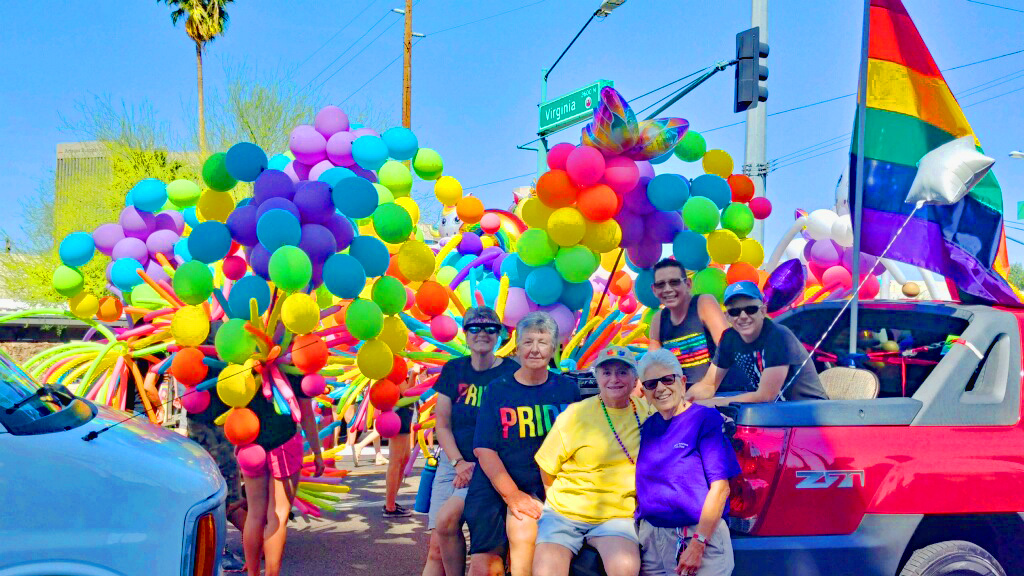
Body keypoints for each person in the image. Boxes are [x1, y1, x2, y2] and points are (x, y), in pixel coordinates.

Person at [463, 312, 581, 576]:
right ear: (517, 346)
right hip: (496, 482)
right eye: (528, 342)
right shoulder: (498, 389)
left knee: (534, 545)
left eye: (542, 342)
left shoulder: (567, 389)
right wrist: (512, 494)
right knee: (486, 568)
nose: (535, 350)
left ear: (554, 349)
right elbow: (484, 448)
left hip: (545, 482)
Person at [532, 346, 650, 576]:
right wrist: (555, 505)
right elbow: (547, 467)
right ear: (596, 377)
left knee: (625, 569)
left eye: (622, 372)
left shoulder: (647, 411)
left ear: (636, 378)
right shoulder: (575, 414)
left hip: (615, 516)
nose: (614, 379)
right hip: (564, 513)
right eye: (606, 373)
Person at [422, 307, 520, 576]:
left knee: (492, 550)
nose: (482, 333)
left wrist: (480, 465)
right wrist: (458, 463)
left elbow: (514, 429)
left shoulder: (512, 371)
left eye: (490, 328)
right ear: (465, 334)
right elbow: (442, 424)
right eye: (474, 328)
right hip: (453, 463)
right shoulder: (454, 369)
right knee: (436, 549)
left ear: (499, 334)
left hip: (492, 466)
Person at [635, 348, 740, 576]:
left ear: (682, 382)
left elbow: (721, 489)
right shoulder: (649, 427)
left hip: (696, 537)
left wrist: (698, 543)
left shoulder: (705, 419)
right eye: (652, 384)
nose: (661, 388)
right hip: (653, 542)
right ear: (644, 391)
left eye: (667, 379)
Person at [687, 281, 828, 404]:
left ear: (763, 311)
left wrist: (713, 404)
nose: (743, 316)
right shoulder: (729, 338)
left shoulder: (778, 336)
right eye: (735, 312)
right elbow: (709, 385)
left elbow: (765, 395)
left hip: (810, 414)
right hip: (773, 415)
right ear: (727, 316)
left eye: (750, 309)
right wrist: (685, 400)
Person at [240, 371, 325, 576]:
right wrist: (316, 451)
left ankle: (253, 573)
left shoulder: (241, 363)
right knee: (278, 513)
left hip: (250, 445)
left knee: (254, 513)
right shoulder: (293, 364)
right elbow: (306, 414)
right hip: (285, 442)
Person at [648, 259, 729, 386]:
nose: (667, 289)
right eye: (660, 284)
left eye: (674, 282)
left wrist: (707, 386)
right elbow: (652, 364)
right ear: (654, 289)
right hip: (683, 397)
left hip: (721, 391)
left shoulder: (703, 303)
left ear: (688, 284)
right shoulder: (658, 319)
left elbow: (727, 347)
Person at [384, 398, 416, 517]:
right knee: (395, 462)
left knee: (404, 459)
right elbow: (408, 392)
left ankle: (391, 502)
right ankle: (390, 506)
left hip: (405, 414)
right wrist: (412, 378)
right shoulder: (398, 378)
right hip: (398, 416)